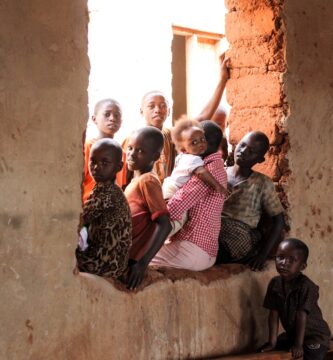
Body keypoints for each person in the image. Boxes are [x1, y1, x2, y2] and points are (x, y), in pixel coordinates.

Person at [119, 53, 230, 188]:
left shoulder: (171, 136)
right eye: (151, 106)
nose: (157, 110)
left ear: (169, 111)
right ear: (141, 111)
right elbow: (123, 179)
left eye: (163, 106)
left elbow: (202, 118)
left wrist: (223, 80)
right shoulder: (131, 139)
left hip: (165, 199)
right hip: (141, 200)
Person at [150, 121, 227, 271]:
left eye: (201, 139)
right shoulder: (208, 164)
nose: (198, 144)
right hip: (201, 249)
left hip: (194, 249)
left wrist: (151, 223)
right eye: (193, 141)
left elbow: (179, 203)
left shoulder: (208, 170)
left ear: (207, 142)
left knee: (141, 257)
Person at [216, 131, 284, 271]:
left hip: (236, 238)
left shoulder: (262, 183)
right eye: (242, 145)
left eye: (252, 151)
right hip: (213, 229)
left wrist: (263, 255)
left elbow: (279, 220)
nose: (244, 151)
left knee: (210, 253)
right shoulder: (218, 173)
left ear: (260, 159)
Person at [258, 238, 331, 360]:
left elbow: (301, 316)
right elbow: (273, 314)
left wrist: (298, 345)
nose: (284, 262)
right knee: (267, 350)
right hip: (293, 335)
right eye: (280, 257)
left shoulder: (307, 286)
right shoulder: (275, 283)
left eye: (292, 260)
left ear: (302, 266)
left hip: (314, 335)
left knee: (313, 355)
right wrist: (272, 342)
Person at [75, 138, 132, 279]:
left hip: (104, 264)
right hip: (114, 263)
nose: (96, 167)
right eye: (93, 161)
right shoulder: (107, 188)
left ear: (119, 167)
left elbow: (79, 220)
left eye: (104, 163)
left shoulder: (108, 193)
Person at [124, 127, 172, 290]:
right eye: (130, 148)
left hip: (130, 256)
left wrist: (142, 263)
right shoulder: (136, 180)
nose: (131, 154)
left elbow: (164, 224)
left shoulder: (148, 181)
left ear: (155, 156)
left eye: (141, 151)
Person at [163, 119, 229, 234]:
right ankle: (158, 237)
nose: (201, 144)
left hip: (169, 185)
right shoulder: (195, 160)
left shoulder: (183, 155)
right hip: (174, 189)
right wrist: (218, 186)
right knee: (174, 223)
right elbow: (202, 172)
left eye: (202, 140)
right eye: (194, 142)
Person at [82, 98, 123, 203]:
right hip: (90, 206)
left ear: (121, 121)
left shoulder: (122, 153)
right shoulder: (88, 147)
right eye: (107, 114)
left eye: (117, 115)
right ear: (94, 119)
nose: (112, 119)